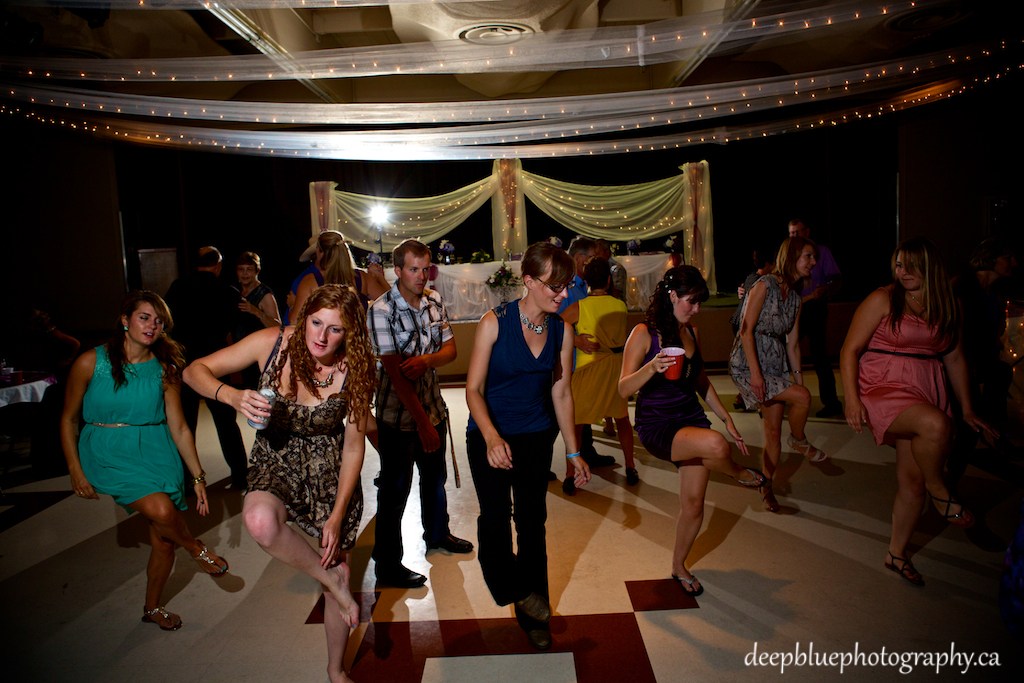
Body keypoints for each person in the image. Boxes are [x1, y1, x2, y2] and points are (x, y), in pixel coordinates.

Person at [183, 285, 373, 683]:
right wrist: (232, 396)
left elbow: (354, 448)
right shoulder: (273, 343)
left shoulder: (357, 366)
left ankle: (335, 670)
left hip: (328, 474)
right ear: (305, 317)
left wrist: (336, 517)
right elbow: (192, 371)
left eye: (334, 329)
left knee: (333, 557)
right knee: (259, 523)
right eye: (315, 322)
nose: (320, 337)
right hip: (276, 461)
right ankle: (334, 583)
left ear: (350, 334)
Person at [59, 291, 228, 632]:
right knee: (164, 512)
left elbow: (179, 426)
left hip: (155, 450)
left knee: (163, 539)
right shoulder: (91, 362)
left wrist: (197, 476)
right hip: (106, 451)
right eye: (144, 317)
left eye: (159, 320)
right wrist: (75, 470)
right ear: (124, 320)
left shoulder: (165, 367)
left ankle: (152, 608)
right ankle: (197, 548)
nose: (152, 325)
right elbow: (67, 420)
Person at [840, 237, 998, 586]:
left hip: (927, 385)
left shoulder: (949, 303)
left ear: (929, 268)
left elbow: (954, 357)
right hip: (883, 385)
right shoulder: (883, 298)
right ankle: (940, 490)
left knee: (911, 482)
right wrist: (852, 399)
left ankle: (896, 554)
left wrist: (968, 409)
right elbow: (849, 349)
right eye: (898, 265)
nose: (903, 272)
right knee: (936, 425)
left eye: (910, 265)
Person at [465, 241, 591, 651]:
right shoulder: (493, 323)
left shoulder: (561, 330)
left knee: (533, 525)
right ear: (529, 281)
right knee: (496, 521)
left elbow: (562, 393)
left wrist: (574, 452)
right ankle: (519, 591)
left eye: (567, 286)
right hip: (490, 434)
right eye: (554, 286)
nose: (563, 294)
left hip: (537, 436)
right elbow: (473, 390)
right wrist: (490, 436)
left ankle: (535, 616)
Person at [620, 266, 764, 596]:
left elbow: (700, 381)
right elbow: (622, 389)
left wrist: (726, 417)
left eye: (699, 303)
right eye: (691, 301)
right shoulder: (644, 333)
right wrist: (651, 366)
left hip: (690, 417)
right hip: (657, 423)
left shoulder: (691, 332)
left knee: (695, 504)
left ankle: (678, 566)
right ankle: (740, 474)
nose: (696, 309)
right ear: (672, 296)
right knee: (716, 446)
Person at [368, 239, 472, 589]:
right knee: (395, 489)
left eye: (424, 268)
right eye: (413, 269)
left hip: (432, 405)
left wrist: (428, 360)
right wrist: (423, 426)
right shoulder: (381, 310)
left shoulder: (434, 300)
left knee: (434, 477)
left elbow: (451, 350)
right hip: (397, 416)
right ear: (396, 271)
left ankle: (438, 534)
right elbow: (397, 376)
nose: (420, 275)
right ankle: (387, 563)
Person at [731, 236, 828, 513]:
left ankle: (767, 486)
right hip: (748, 361)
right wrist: (756, 375)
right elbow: (745, 330)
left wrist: (799, 385)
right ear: (793, 256)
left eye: (814, 257)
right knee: (800, 399)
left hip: (774, 361)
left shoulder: (796, 298)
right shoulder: (765, 284)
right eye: (808, 256)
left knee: (773, 432)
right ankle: (799, 440)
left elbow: (793, 344)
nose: (813, 262)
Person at [164, 246, 248, 489]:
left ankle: (188, 480)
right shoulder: (228, 291)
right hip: (216, 364)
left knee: (185, 423)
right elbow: (237, 327)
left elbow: (167, 323)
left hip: (184, 362)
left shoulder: (178, 287)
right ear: (218, 265)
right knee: (226, 422)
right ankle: (240, 476)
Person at [559, 256, 636, 492]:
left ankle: (570, 474)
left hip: (588, 369)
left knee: (577, 424)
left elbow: (556, 327)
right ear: (609, 279)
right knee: (622, 418)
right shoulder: (620, 305)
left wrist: (576, 340)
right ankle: (631, 466)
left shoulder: (580, 306)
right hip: (615, 367)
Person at [949, 237, 1019, 487]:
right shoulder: (962, 285)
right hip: (956, 361)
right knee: (969, 423)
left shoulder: (997, 292)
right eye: (1007, 258)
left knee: (1001, 371)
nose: (1014, 263)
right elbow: (954, 335)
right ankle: (949, 480)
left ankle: (993, 432)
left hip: (981, 360)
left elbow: (995, 331)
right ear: (990, 258)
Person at [560, 236, 616, 469]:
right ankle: (539, 467)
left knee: (581, 410)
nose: (596, 260)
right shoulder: (567, 286)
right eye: (591, 257)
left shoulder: (584, 286)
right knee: (559, 415)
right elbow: (554, 322)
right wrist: (575, 340)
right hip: (567, 360)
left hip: (583, 362)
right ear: (578, 258)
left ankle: (587, 452)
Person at [788, 219, 843, 418]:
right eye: (791, 233)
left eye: (798, 232)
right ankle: (784, 397)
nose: (795, 237)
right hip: (793, 308)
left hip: (814, 308)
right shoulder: (787, 254)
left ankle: (832, 403)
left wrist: (826, 289)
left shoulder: (822, 252)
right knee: (786, 352)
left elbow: (836, 278)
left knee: (820, 355)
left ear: (807, 232)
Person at [291, 230, 389, 323]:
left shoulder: (310, 281)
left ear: (320, 253)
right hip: (357, 340)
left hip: (325, 339)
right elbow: (391, 302)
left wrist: (292, 305)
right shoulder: (362, 278)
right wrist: (379, 276)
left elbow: (294, 321)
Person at [233, 251, 281, 342]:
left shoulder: (265, 294)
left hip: (257, 348)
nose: (245, 273)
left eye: (249, 269)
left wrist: (255, 311)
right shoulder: (236, 291)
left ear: (257, 271)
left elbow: (278, 327)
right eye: (241, 269)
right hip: (237, 349)